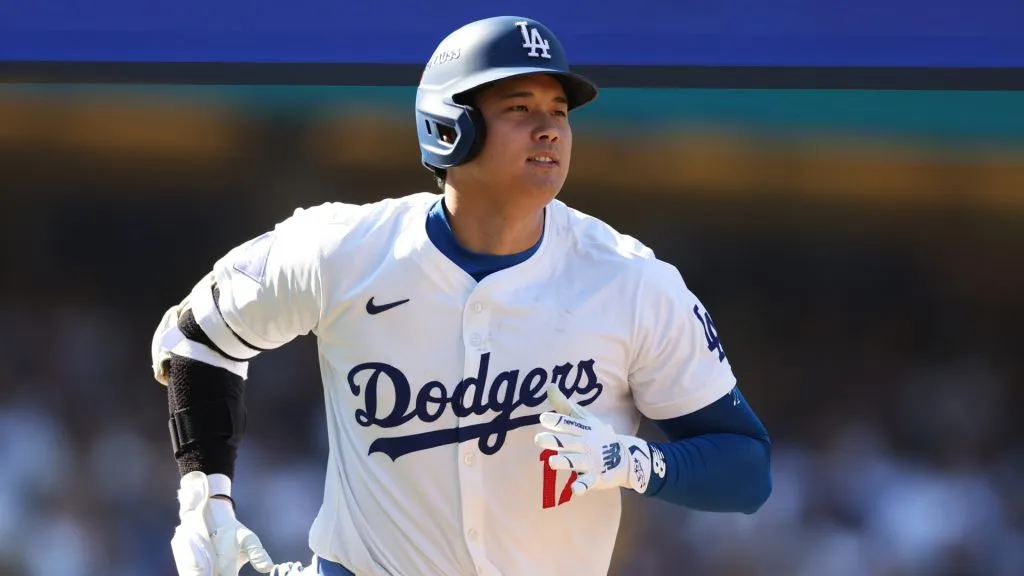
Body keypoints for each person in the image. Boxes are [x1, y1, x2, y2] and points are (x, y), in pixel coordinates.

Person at [150, 15, 773, 576]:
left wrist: (634, 462)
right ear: (451, 125)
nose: (550, 129)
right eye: (520, 108)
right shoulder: (344, 249)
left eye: (559, 111)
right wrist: (206, 497)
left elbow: (746, 467)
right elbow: (194, 338)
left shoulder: (632, 282)